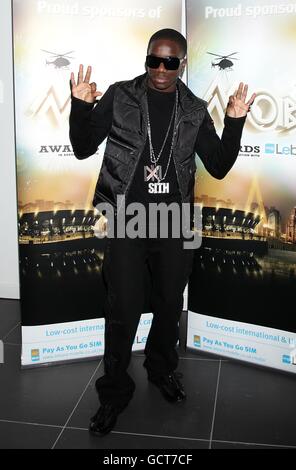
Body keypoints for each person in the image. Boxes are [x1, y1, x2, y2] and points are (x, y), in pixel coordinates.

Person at [69, 28, 256, 436]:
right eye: (154, 59)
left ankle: (161, 369)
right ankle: (114, 392)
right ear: (147, 58)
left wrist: (236, 122)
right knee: (123, 310)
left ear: (182, 64)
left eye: (170, 62)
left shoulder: (193, 108)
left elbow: (219, 165)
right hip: (126, 217)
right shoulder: (120, 96)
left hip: (175, 222)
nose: (160, 69)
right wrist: (80, 108)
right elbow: (83, 147)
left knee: (170, 304)